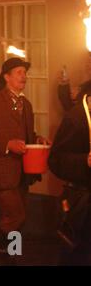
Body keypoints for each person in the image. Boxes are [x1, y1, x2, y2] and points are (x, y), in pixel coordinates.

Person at [0, 57, 50, 255]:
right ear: (6, 77)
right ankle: (1, 247)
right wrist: (8, 145)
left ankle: (12, 251)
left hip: (22, 172)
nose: (24, 76)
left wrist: (38, 139)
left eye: (25, 73)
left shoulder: (26, 104)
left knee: (17, 216)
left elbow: (27, 135)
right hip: (0, 174)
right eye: (19, 72)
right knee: (16, 215)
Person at [49, 90, 91, 265]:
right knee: (76, 252)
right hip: (81, 198)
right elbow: (56, 160)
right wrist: (85, 161)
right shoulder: (75, 119)